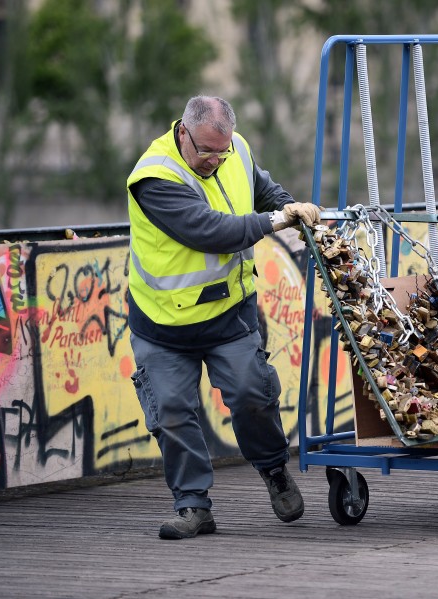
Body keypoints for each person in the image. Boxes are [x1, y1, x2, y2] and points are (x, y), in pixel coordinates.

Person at [126, 95, 320, 539]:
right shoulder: (154, 176)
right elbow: (210, 231)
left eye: (222, 151)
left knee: (252, 392)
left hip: (228, 314)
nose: (215, 159)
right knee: (172, 411)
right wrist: (275, 221)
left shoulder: (236, 149)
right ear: (183, 133)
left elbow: (264, 189)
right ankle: (193, 506)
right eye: (206, 151)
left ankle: (274, 471)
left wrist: (294, 210)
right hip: (162, 325)